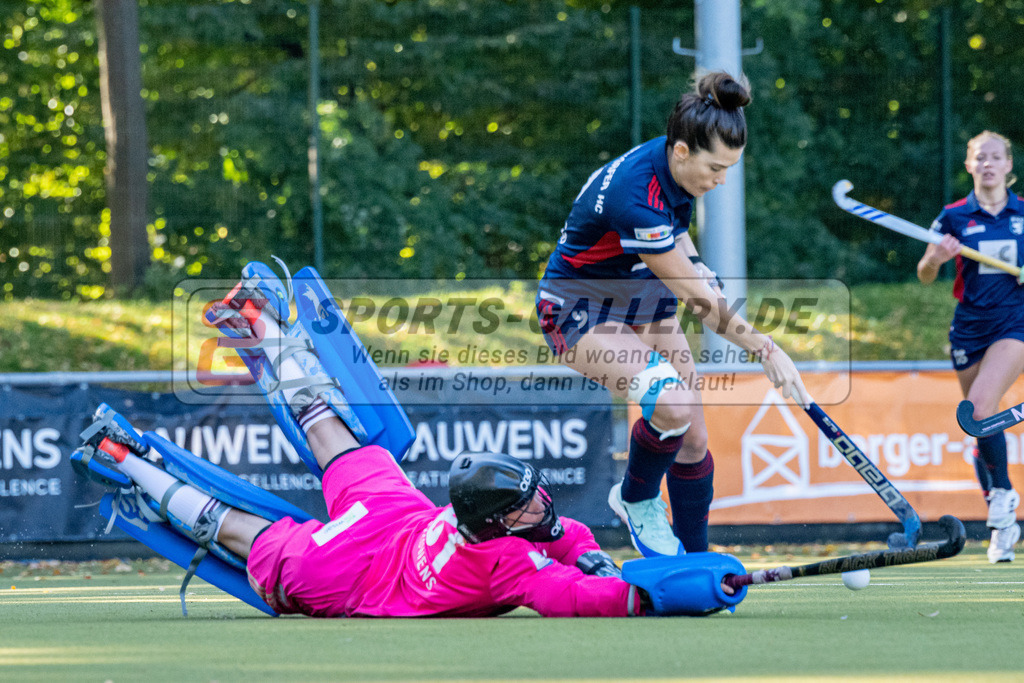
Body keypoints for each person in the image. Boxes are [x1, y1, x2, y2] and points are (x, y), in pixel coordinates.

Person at [75, 264, 744, 618]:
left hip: (397, 518)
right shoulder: (506, 563)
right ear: (498, 523)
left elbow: (562, 534)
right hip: (346, 570)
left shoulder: (485, 524)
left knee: (334, 432)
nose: (543, 504)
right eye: (528, 504)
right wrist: (649, 594)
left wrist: (592, 552)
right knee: (240, 531)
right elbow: (571, 597)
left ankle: (263, 322)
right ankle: (125, 458)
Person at [536, 72, 810, 558]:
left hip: (640, 295)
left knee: (693, 441)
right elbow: (700, 303)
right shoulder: (634, 197)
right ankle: (636, 498)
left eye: (730, 168)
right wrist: (766, 349)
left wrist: (700, 264)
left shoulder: (674, 164)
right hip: (579, 308)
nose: (722, 180)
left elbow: (677, 230)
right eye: (716, 168)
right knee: (673, 406)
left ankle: (698, 563)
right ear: (682, 151)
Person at [917, 130, 1024, 563]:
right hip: (968, 330)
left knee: (980, 410)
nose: (988, 164)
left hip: (1014, 326)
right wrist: (937, 259)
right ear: (969, 166)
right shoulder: (953, 217)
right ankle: (1003, 523)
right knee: (977, 425)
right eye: (980, 158)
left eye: (995, 157)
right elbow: (924, 272)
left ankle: (1002, 501)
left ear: (1009, 166)